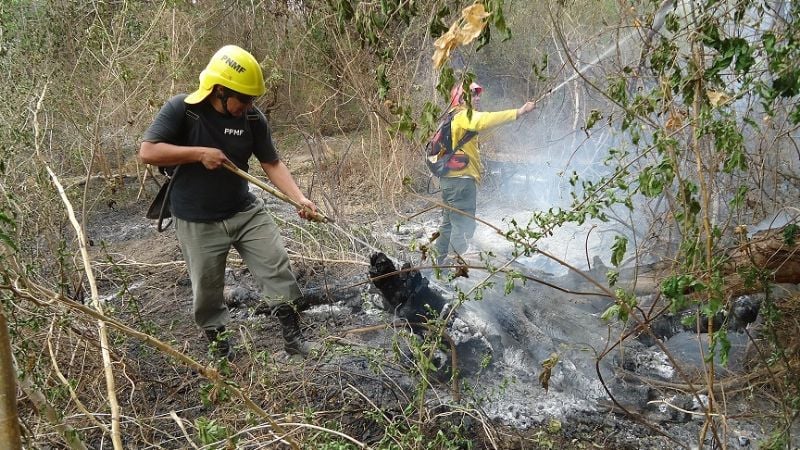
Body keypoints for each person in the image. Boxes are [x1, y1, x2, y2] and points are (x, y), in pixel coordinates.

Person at [139, 45, 318, 359]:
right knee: (207, 292)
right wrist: (198, 153)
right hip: (196, 219)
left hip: (243, 211)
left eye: (252, 100)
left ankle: (294, 340)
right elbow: (148, 151)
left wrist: (299, 198)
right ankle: (221, 352)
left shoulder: (253, 118)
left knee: (277, 268)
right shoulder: (183, 109)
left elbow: (272, 163)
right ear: (219, 90)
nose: (248, 106)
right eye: (243, 99)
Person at [435, 81, 536, 264]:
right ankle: (453, 270)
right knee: (464, 226)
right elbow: (485, 119)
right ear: (462, 98)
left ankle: (436, 264)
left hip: (449, 181)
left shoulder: (451, 117)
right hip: (461, 183)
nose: (478, 98)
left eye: (478, 94)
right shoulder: (464, 116)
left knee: (448, 224)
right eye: (473, 95)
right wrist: (519, 112)